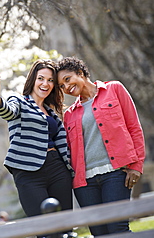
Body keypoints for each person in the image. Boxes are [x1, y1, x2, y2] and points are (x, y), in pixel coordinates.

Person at [56, 57, 146, 236]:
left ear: (80, 73)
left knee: (118, 229)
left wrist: (136, 166)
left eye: (67, 79)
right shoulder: (69, 115)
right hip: (84, 183)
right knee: (99, 233)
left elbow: (134, 127)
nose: (66, 87)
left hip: (115, 174)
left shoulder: (114, 89)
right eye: (61, 86)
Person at [0, 59, 74, 222]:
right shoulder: (19, 101)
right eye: (41, 78)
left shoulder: (52, 112)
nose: (45, 83)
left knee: (65, 224)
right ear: (32, 80)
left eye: (50, 80)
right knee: (42, 226)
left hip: (57, 169)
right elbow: (8, 112)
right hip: (28, 172)